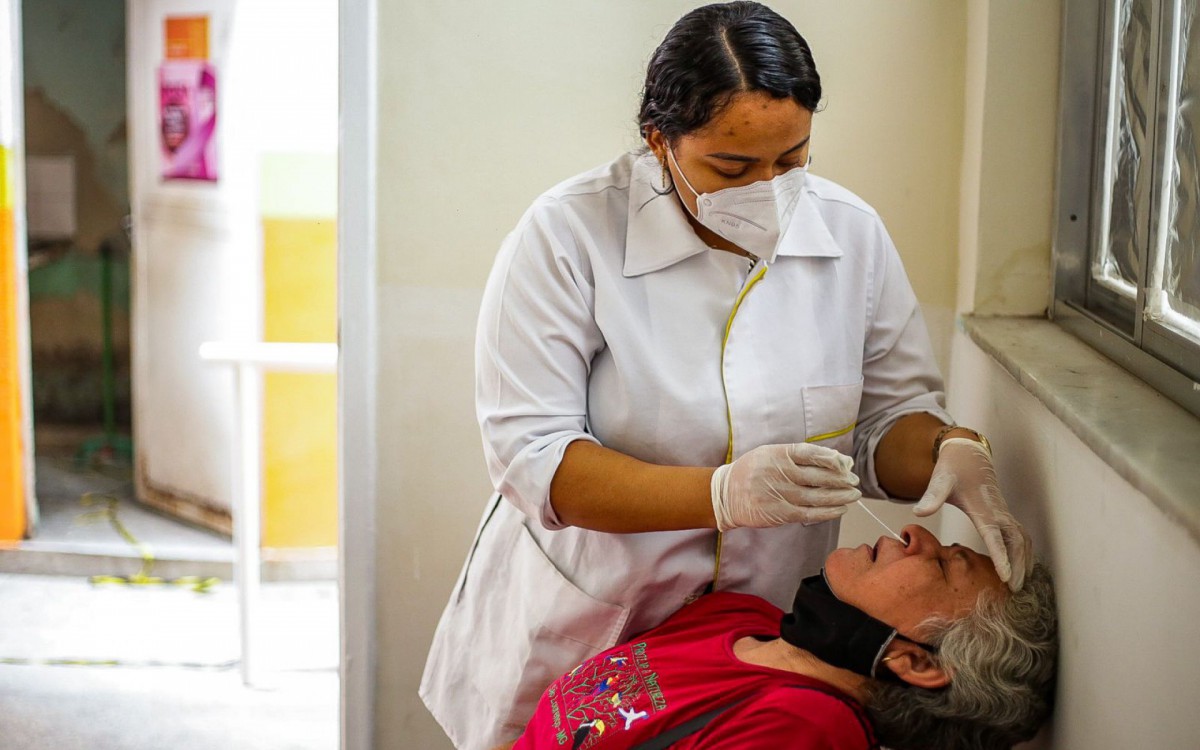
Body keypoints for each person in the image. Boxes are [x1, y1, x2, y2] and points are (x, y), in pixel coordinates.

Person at [421, 4, 1034, 748]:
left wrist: (946, 451)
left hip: (749, 639)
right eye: (733, 167)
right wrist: (720, 494)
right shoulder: (568, 234)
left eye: (793, 159)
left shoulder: (851, 233)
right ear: (660, 141)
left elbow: (885, 420)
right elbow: (535, 461)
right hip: (591, 614)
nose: (769, 188)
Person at [502, 526, 1058, 750]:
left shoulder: (805, 730)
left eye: (941, 565)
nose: (917, 533)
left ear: (915, 662)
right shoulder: (738, 615)